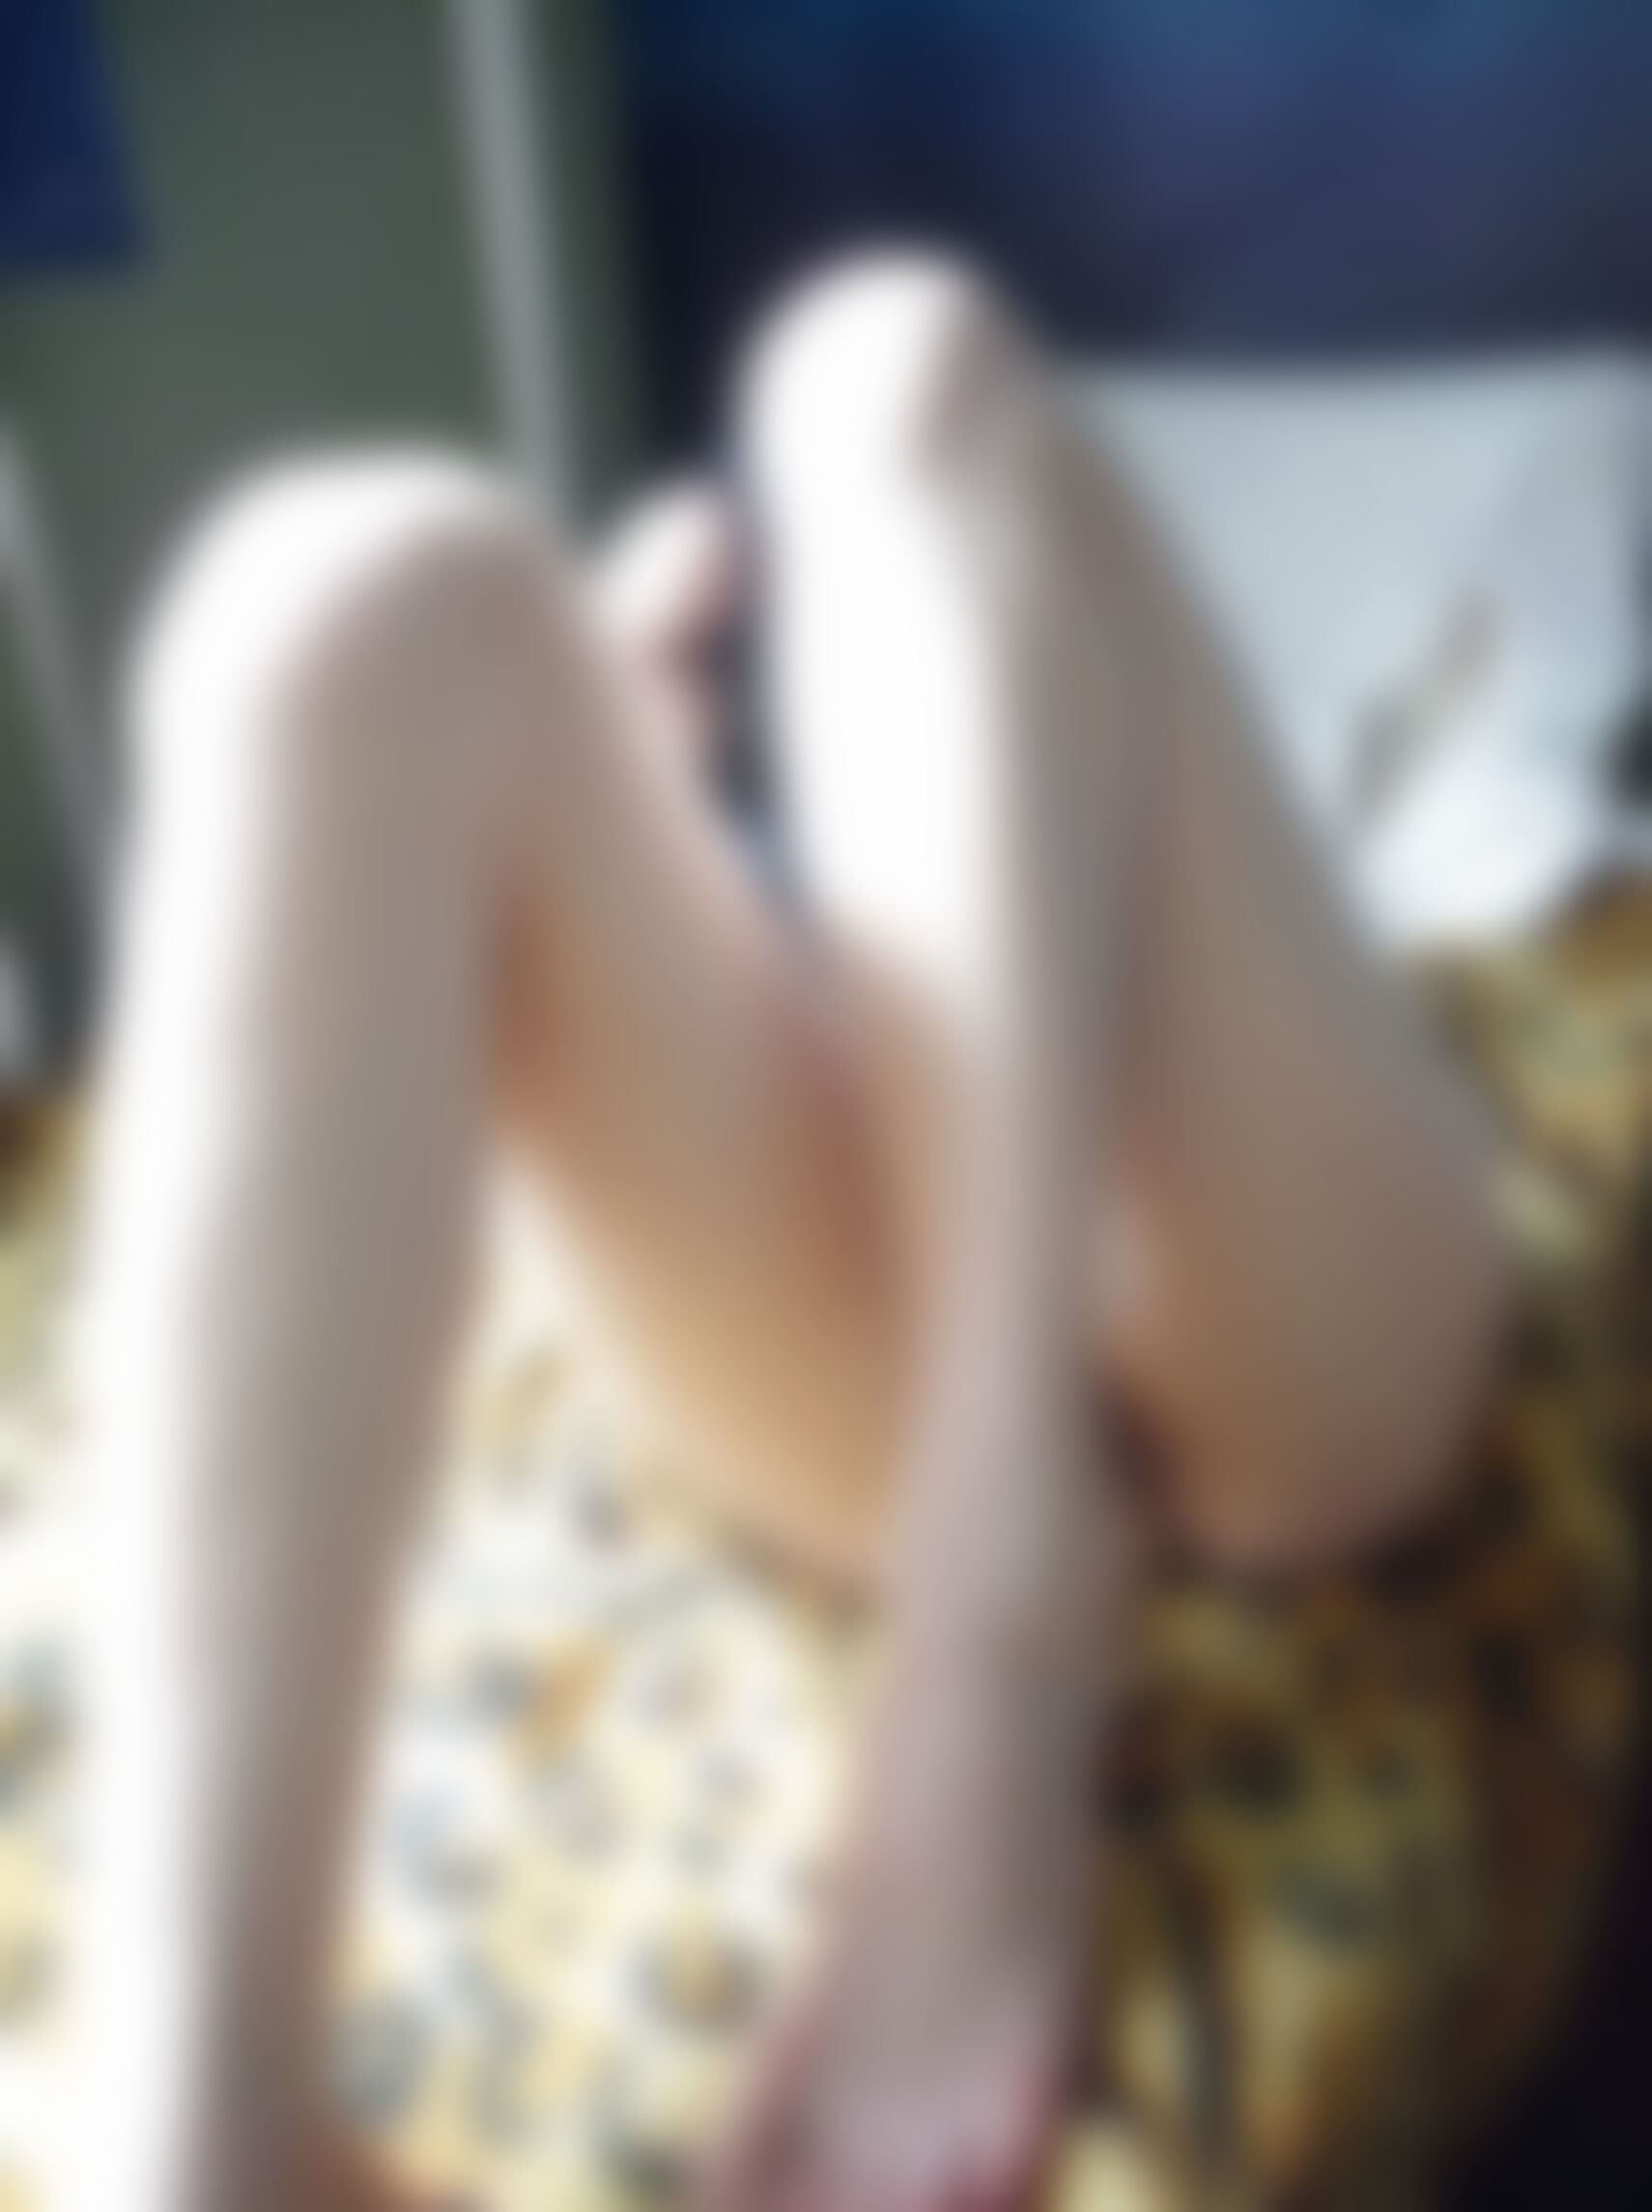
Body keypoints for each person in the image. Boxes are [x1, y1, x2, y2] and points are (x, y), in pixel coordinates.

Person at [73, 255, 1531, 2212]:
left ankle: (998, 1619)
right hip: (855, 1206)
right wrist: (619, 822)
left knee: (882, 364)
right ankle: (198, 2137)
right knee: (320, 598)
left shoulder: (1095, 568)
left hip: (1273, 1278)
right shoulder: (811, 682)